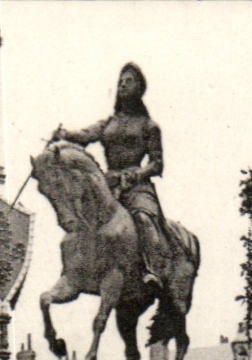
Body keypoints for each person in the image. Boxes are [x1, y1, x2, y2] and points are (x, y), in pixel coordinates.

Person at [52, 62, 176, 297]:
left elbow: (157, 163)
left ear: (139, 88)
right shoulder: (108, 123)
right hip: (109, 185)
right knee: (82, 216)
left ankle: (152, 269)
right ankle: (77, 269)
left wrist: (137, 174)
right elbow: (85, 135)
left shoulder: (149, 126)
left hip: (137, 186)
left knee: (142, 217)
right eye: (120, 80)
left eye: (128, 80)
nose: (122, 84)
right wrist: (65, 134)